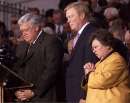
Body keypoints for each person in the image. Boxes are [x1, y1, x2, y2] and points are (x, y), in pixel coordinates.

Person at [12, 13, 63, 102]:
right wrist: (17, 90)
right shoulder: (22, 45)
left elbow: (51, 71)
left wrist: (33, 92)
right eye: (22, 31)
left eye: (26, 30)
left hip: (43, 97)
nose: (23, 34)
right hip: (23, 97)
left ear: (36, 27)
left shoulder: (51, 41)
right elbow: (17, 69)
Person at [82, 29, 130, 103]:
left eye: (96, 47)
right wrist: (86, 74)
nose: (93, 51)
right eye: (92, 48)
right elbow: (90, 86)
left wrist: (89, 73)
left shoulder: (117, 60)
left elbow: (102, 81)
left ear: (107, 45)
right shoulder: (98, 63)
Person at [64, 1, 98, 102]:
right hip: (75, 93)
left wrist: (84, 95)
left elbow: (90, 66)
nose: (68, 21)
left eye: (71, 16)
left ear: (82, 15)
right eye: (67, 18)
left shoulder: (91, 33)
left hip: (82, 95)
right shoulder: (81, 34)